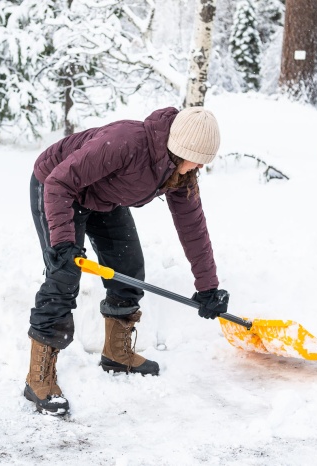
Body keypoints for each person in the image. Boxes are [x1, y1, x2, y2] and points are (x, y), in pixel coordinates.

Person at [25, 106, 231, 416]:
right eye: (198, 158)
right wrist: (64, 244)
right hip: (57, 188)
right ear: (180, 148)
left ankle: (116, 354)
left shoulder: (181, 173)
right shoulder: (126, 142)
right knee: (63, 276)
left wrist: (208, 287)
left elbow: (193, 227)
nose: (201, 165)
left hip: (103, 197)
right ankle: (37, 378)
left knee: (129, 269)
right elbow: (59, 182)